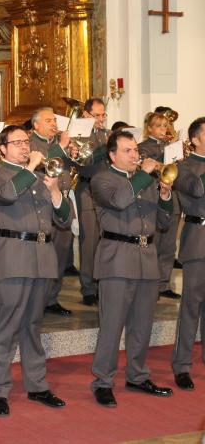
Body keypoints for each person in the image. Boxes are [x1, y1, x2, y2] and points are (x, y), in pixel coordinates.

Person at [0, 125, 72, 416]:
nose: (24, 147)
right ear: (3, 148)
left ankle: (37, 385)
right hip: (12, 257)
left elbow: (63, 219)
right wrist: (32, 166)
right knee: (6, 326)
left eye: (26, 142)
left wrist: (56, 191)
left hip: (42, 257)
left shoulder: (40, 176)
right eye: (17, 142)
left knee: (33, 325)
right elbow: (7, 194)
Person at [90, 130, 174, 407]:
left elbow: (163, 221)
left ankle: (137, 375)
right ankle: (103, 381)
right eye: (128, 150)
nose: (135, 155)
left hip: (146, 257)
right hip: (117, 258)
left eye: (136, 150)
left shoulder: (146, 181)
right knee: (112, 326)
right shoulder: (102, 179)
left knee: (142, 325)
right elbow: (119, 201)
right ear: (112, 155)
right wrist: (143, 176)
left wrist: (164, 196)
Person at [170, 117, 205, 391]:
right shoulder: (183, 167)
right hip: (198, 239)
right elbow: (195, 189)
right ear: (194, 139)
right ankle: (182, 365)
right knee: (191, 305)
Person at [30, 107, 74, 317]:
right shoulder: (30, 143)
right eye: (48, 121)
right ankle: (40, 298)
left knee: (61, 253)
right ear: (36, 125)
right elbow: (42, 165)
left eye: (54, 120)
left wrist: (73, 153)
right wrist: (61, 148)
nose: (54, 124)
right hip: (43, 204)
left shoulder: (57, 143)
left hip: (63, 199)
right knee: (45, 256)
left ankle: (53, 298)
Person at [139, 112, 182, 299]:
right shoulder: (142, 147)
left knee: (169, 246)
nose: (162, 129)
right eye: (158, 126)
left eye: (165, 126)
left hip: (172, 198)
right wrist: (163, 160)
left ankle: (164, 284)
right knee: (154, 244)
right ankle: (150, 285)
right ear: (149, 128)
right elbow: (145, 171)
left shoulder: (172, 147)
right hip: (153, 199)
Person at [74, 98, 109, 306]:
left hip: (106, 190)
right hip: (87, 188)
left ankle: (102, 283)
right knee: (89, 240)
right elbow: (85, 161)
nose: (101, 119)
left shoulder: (106, 134)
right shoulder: (80, 134)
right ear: (86, 115)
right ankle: (88, 287)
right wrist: (107, 147)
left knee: (106, 238)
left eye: (103, 114)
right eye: (97, 115)